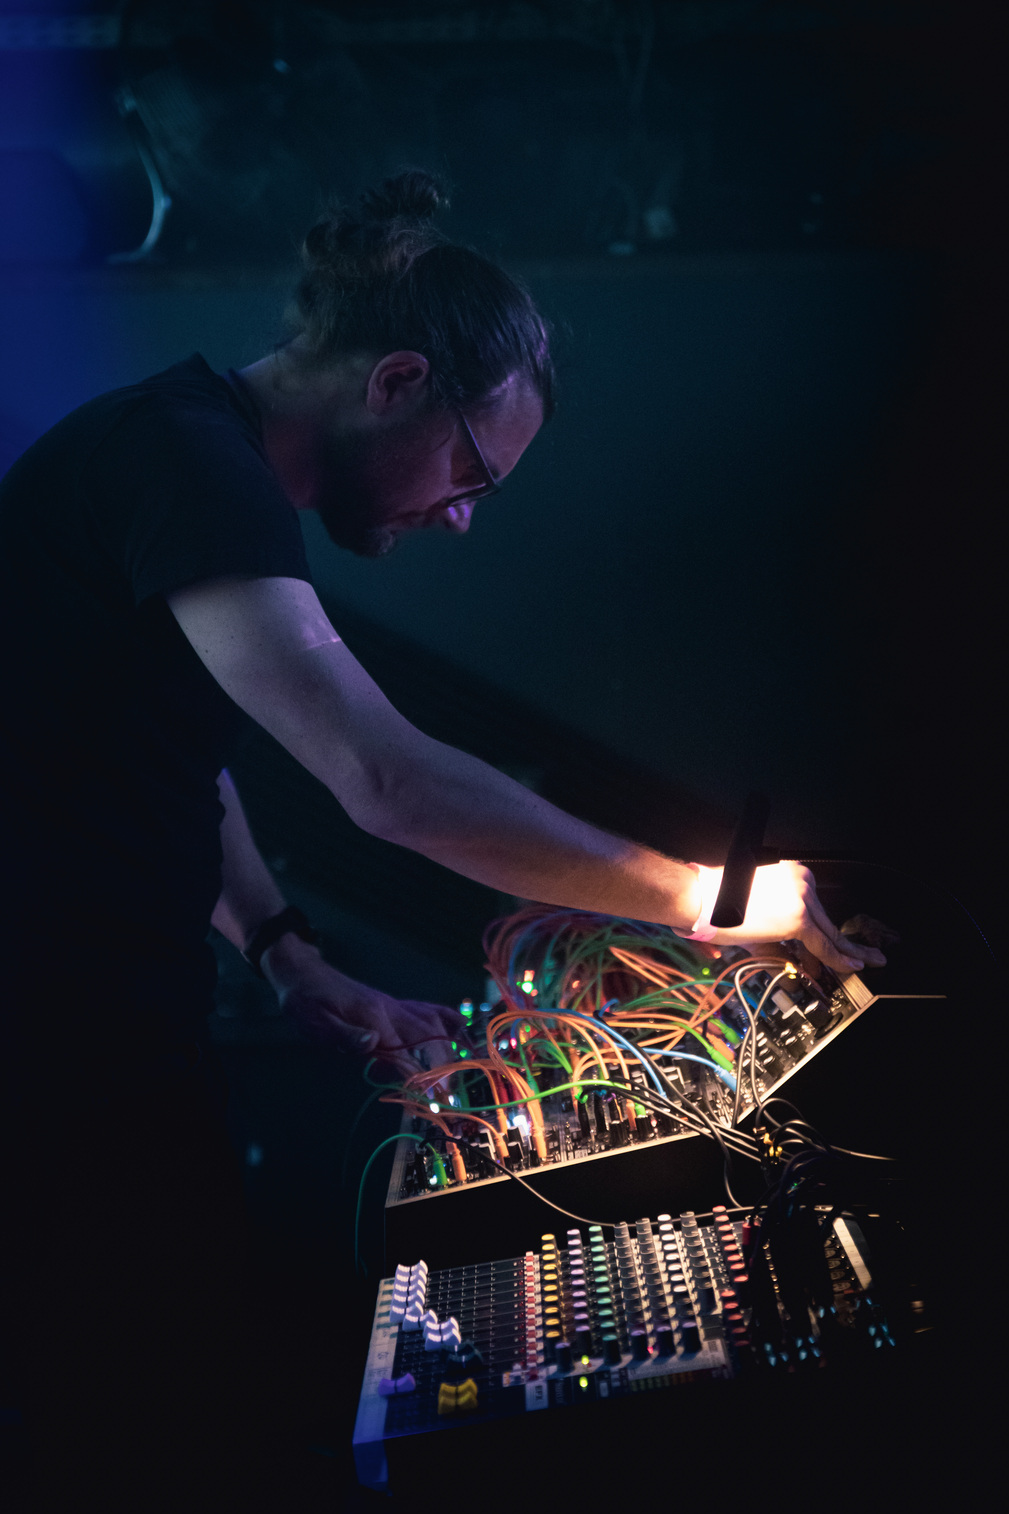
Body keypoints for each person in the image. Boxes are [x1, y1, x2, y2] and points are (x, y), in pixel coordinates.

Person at [0, 171, 884, 1506]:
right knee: (140, 1434)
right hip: (59, 1055)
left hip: (98, 1033)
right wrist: (712, 894)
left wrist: (289, 954)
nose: (461, 515)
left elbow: (180, 762)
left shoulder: (191, 463)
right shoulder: (186, 462)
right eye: (470, 471)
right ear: (397, 380)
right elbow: (386, 782)